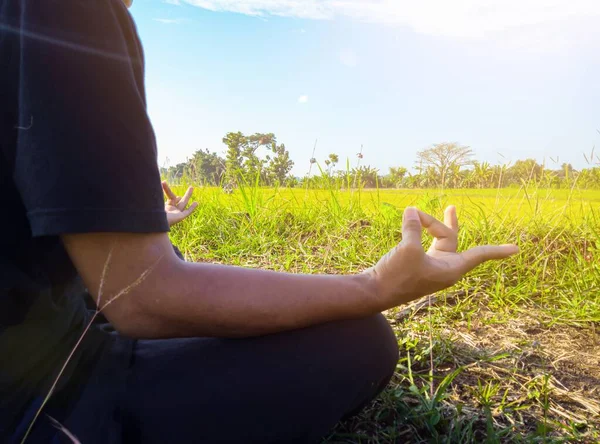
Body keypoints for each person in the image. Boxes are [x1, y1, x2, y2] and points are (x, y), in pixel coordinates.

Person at [0, 0, 519, 442]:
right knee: (360, 340)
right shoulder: (70, 13)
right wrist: (377, 285)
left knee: (173, 262)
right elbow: (142, 299)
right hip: (37, 401)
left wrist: (132, 227)